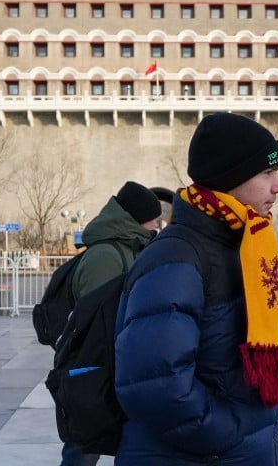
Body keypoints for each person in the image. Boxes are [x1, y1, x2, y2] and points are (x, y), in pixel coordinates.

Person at [114, 112, 278, 465]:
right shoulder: (178, 256)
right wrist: (232, 433)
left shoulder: (246, 244)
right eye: (267, 173)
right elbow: (156, 385)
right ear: (232, 178)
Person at [61, 180, 162, 466]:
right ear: (136, 218)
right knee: (84, 445)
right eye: (154, 219)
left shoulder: (128, 248)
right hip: (95, 364)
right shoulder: (105, 255)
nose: (157, 225)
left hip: (113, 361)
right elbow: (97, 316)